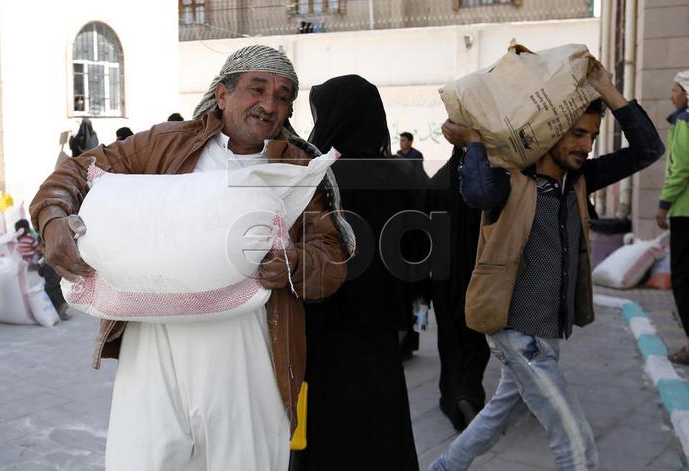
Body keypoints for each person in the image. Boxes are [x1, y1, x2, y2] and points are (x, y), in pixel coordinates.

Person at [30, 45, 352, 471]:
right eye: (257, 89)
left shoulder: (300, 168)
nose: (269, 105)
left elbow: (332, 254)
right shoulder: (164, 145)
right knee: (143, 460)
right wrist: (53, 216)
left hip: (249, 346)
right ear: (222, 94)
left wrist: (295, 263)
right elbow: (76, 171)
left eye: (283, 96)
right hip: (153, 340)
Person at [430, 60, 664, 471]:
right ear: (551, 130)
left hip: (547, 333)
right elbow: (477, 192)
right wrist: (472, 142)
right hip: (518, 333)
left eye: (592, 136)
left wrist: (607, 91)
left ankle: (445, 467)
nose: (586, 146)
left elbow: (648, 149)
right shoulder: (509, 181)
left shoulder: (580, 179)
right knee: (575, 441)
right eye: (577, 134)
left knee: (496, 415)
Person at [291, 75, 419, 471]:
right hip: (379, 328)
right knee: (380, 423)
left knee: (327, 428)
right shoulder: (402, 175)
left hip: (325, 324)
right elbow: (417, 254)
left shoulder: (317, 177)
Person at [425, 146, 490, 431]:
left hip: (442, 278)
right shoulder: (487, 185)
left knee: (449, 340)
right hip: (480, 275)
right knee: (476, 341)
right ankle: (470, 394)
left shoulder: (438, 180)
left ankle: (452, 397)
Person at [657, 70, 689, 364]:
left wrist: (663, 205)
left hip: (684, 212)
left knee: (682, 278)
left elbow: (681, 168)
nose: (672, 95)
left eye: (675, 90)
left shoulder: (684, 121)